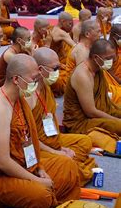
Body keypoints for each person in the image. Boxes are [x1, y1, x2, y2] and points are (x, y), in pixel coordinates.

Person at [0, 54, 80, 208]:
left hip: (24, 165)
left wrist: (39, 168)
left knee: (67, 165)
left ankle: (38, 199)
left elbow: (29, 141)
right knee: (41, 195)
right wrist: (36, 180)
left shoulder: (20, 99)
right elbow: (2, 162)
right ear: (16, 79)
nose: (37, 82)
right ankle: (40, 201)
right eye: (34, 78)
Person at [27, 48, 97, 185]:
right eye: (55, 68)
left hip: (53, 139)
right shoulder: (29, 96)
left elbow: (51, 124)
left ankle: (70, 167)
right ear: (40, 70)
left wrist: (60, 147)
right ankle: (71, 168)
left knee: (85, 141)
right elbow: (29, 138)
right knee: (66, 162)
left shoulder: (46, 87)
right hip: (38, 146)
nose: (58, 72)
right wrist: (56, 151)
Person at [63, 39, 121, 152]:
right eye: (108, 58)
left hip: (98, 113)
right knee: (117, 125)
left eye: (112, 58)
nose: (112, 61)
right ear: (95, 57)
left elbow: (105, 103)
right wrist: (116, 120)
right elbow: (90, 111)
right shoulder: (83, 75)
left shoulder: (98, 69)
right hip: (81, 122)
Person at [37, 12, 76, 96]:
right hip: (53, 63)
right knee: (70, 77)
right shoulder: (61, 33)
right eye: (69, 24)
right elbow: (75, 47)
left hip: (48, 62)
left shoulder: (50, 29)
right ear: (62, 21)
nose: (71, 27)